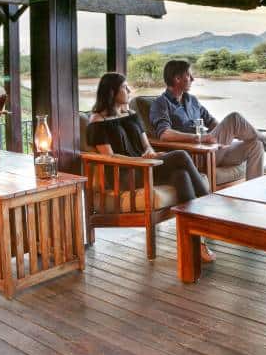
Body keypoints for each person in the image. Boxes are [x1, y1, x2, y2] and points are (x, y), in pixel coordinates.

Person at [86, 72, 215, 262]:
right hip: (126, 174)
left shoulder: (131, 115)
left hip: (146, 167)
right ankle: (210, 209)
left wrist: (151, 153)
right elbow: (110, 157)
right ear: (112, 92)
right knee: (180, 155)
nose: (129, 90)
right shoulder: (97, 121)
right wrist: (141, 161)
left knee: (181, 175)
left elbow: (146, 145)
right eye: (124, 87)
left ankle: (196, 243)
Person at [149, 60, 266, 180]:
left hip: (215, 150)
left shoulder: (192, 100)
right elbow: (165, 134)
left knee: (255, 145)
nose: (193, 79)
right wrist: (198, 138)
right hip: (196, 156)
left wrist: (230, 133)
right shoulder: (161, 103)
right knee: (234, 118)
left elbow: (213, 123)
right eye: (189, 75)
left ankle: (254, 196)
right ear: (177, 79)